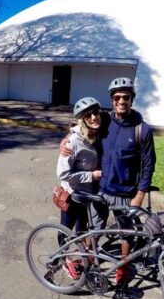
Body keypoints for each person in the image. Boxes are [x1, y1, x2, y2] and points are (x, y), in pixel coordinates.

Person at [63, 77, 156, 286]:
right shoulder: (104, 120)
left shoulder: (142, 130)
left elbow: (149, 164)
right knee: (94, 229)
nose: (121, 101)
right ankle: (88, 261)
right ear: (112, 101)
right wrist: (66, 141)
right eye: (117, 98)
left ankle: (123, 268)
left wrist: (140, 194)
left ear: (132, 99)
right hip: (101, 189)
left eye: (126, 97)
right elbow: (81, 127)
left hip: (126, 193)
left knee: (125, 233)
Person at [56, 97, 103, 279]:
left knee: (81, 230)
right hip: (73, 194)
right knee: (65, 230)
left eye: (96, 113)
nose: (93, 117)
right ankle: (61, 258)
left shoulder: (95, 134)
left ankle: (79, 256)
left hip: (87, 194)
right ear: (82, 119)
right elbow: (63, 174)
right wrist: (91, 175)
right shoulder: (73, 142)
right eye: (88, 115)